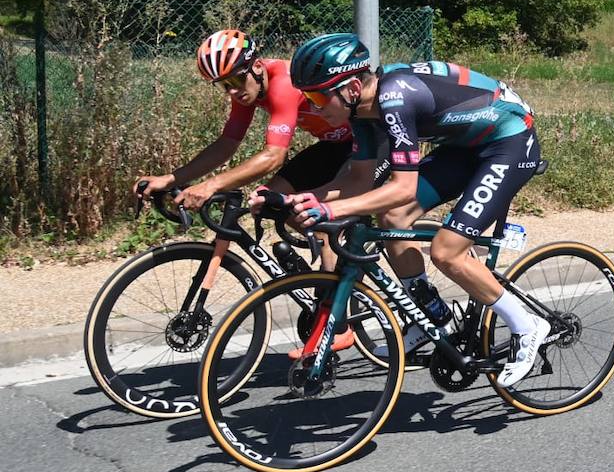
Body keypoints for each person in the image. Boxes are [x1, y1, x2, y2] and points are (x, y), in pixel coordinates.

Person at [271, 33, 547, 387]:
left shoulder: (395, 97)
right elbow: (359, 180)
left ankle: (527, 325)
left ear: (352, 88)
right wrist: (294, 199)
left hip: (509, 141)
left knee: (447, 251)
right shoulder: (363, 113)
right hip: (464, 146)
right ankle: (431, 314)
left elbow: (402, 187)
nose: (315, 106)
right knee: (392, 219)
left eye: (318, 95)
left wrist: (328, 209)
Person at [134, 29, 355, 209]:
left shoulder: (284, 83)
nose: (233, 92)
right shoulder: (248, 89)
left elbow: (274, 157)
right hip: (333, 145)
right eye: (225, 85)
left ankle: (340, 257)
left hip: (365, 142)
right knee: (267, 203)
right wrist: (171, 179)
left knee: (319, 214)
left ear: (257, 67)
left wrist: (211, 185)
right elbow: (227, 144)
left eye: (237, 81)